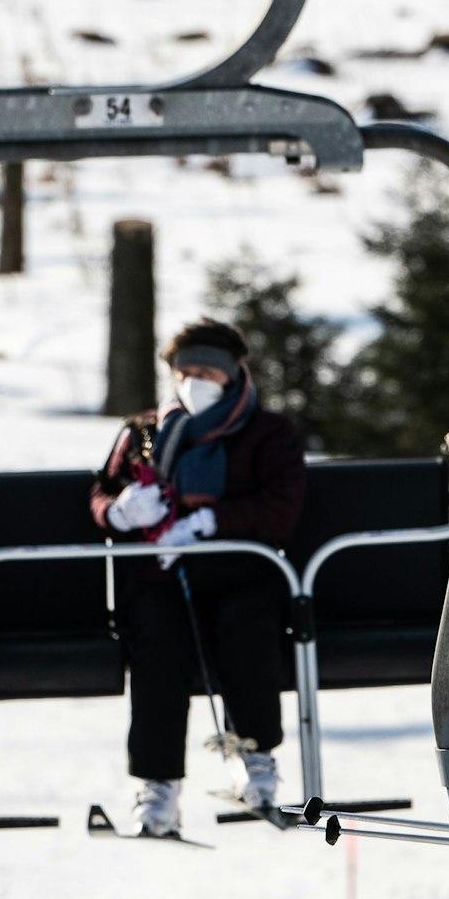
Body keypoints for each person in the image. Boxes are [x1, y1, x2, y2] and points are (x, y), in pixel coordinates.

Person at [90, 319, 304, 836]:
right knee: (155, 640)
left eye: (205, 372)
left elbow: (280, 508)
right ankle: (157, 784)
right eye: (184, 373)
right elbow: (103, 490)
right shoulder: (144, 431)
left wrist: (211, 521)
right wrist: (119, 511)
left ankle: (255, 757)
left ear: (231, 374)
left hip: (240, 571)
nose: (193, 382)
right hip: (165, 576)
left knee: (246, 626)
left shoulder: (266, 432)